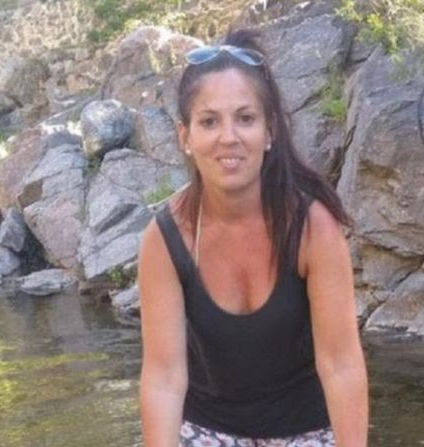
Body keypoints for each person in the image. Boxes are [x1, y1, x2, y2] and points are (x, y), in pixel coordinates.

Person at [137, 28, 368, 446]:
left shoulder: (313, 227)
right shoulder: (165, 240)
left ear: (269, 130)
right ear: (185, 137)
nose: (229, 137)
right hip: (207, 433)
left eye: (245, 118)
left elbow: (341, 365)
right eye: (209, 121)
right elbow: (164, 379)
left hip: (306, 433)